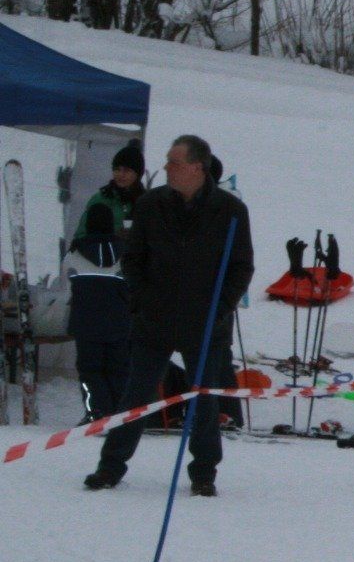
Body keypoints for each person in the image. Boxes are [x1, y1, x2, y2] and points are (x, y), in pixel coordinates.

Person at [83, 135, 254, 496]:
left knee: (204, 400)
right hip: (154, 320)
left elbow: (241, 267)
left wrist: (220, 308)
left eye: (174, 162)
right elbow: (133, 259)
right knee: (135, 397)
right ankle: (110, 467)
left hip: (206, 323)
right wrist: (141, 301)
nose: (166, 168)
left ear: (197, 167)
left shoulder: (231, 211)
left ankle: (204, 473)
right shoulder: (150, 204)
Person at [64, 202, 130, 421]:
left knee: (90, 371)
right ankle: (120, 414)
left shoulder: (74, 254)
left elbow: (67, 284)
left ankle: (97, 413)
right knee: (118, 370)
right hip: (119, 323)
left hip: (86, 324)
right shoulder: (126, 253)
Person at [74, 140, 145, 240]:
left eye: (127, 170)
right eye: (117, 169)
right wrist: (113, 238)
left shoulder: (146, 202)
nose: (121, 174)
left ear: (138, 174)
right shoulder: (101, 199)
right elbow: (81, 236)